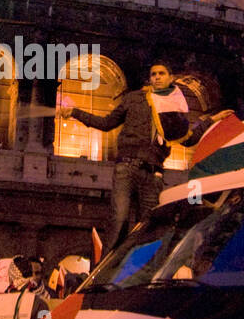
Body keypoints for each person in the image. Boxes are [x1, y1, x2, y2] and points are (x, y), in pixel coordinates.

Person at [58, 62, 229, 251]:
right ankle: (106, 269)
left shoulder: (174, 109)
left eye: (161, 73)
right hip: (127, 167)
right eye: (153, 74)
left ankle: (134, 268)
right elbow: (106, 123)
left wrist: (211, 120)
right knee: (119, 219)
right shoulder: (135, 98)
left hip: (153, 173)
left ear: (171, 78)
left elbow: (187, 139)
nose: (156, 77)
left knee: (149, 226)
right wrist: (75, 112)